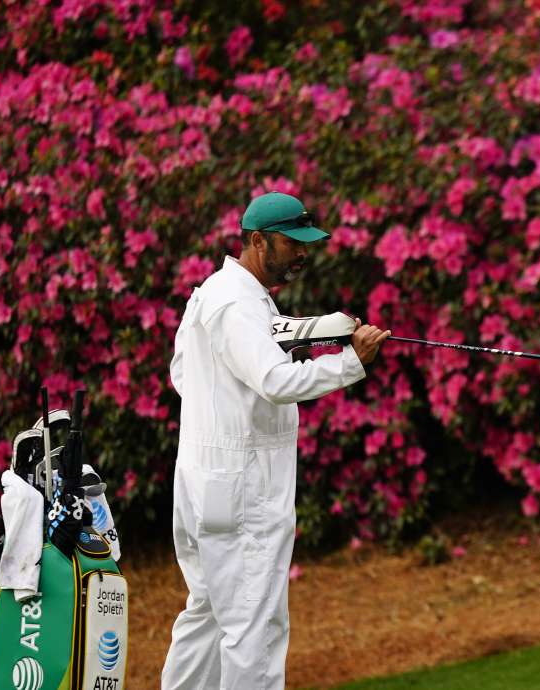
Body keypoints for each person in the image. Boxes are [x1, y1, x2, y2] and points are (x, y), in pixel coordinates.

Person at [162, 192, 390, 689]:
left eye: (308, 243)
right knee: (256, 628)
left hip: (205, 484)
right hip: (242, 492)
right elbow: (274, 380)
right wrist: (352, 363)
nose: (302, 254)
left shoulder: (213, 292)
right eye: (292, 243)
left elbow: (183, 373)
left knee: (208, 616)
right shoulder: (236, 302)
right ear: (258, 241)